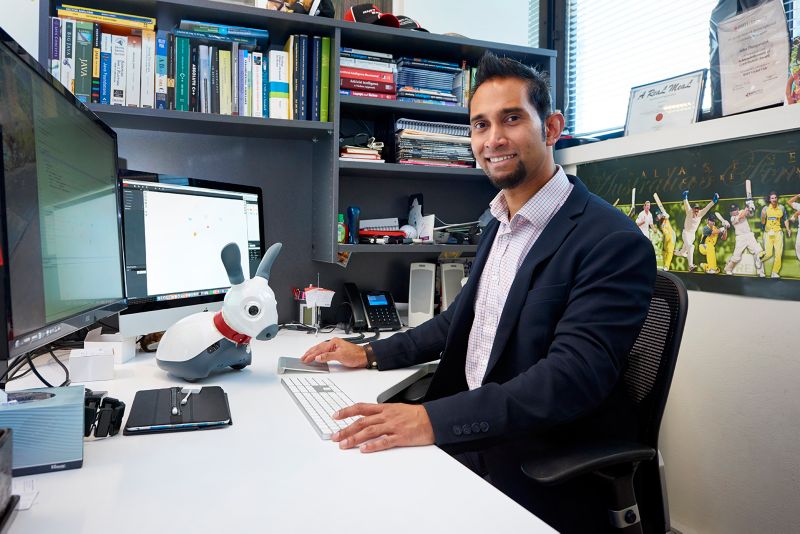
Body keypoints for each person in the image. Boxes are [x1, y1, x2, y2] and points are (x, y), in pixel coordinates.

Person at [301, 53, 655, 532]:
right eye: (479, 125)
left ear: (551, 128)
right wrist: (372, 355)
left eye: (512, 119)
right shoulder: (500, 224)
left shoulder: (610, 241)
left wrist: (432, 421)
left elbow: (571, 378)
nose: (493, 140)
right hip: (477, 430)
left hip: (538, 455)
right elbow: (459, 321)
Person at [674, 190, 718, 272]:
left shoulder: (701, 213)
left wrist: (714, 201)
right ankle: (690, 266)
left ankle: (676, 253)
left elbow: (707, 207)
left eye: (697, 210)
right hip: (686, 233)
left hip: (692, 235)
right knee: (691, 247)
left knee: (684, 252)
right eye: (695, 209)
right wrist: (685, 197)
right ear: (693, 209)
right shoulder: (689, 212)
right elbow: (686, 204)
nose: (696, 211)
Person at [723, 202, 766, 277]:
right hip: (740, 238)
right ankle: (728, 269)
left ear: (738, 209)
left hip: (749, 235)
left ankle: (761, 272)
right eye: (732, 211)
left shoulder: (741, 211)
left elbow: (750, 214)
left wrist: (751, 208)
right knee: (736, 257)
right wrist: (747, 207)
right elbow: (741, 216)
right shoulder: (732, 218)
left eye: (735, 210)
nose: (733, 212)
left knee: (758, 252)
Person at [760, 191, 791, 278]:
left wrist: (788, 229)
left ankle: (775, 272)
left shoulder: (782, 208)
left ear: (777, 198)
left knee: (778, 254)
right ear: (770, 200)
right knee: (769, 254)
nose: (774, 199)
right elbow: (762, 222)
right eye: (772, 198)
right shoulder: (765, 209)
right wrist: (763, 216)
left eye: (775, 198)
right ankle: (758, 258)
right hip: (768, 233)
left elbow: (785, 219)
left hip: (778, 233)